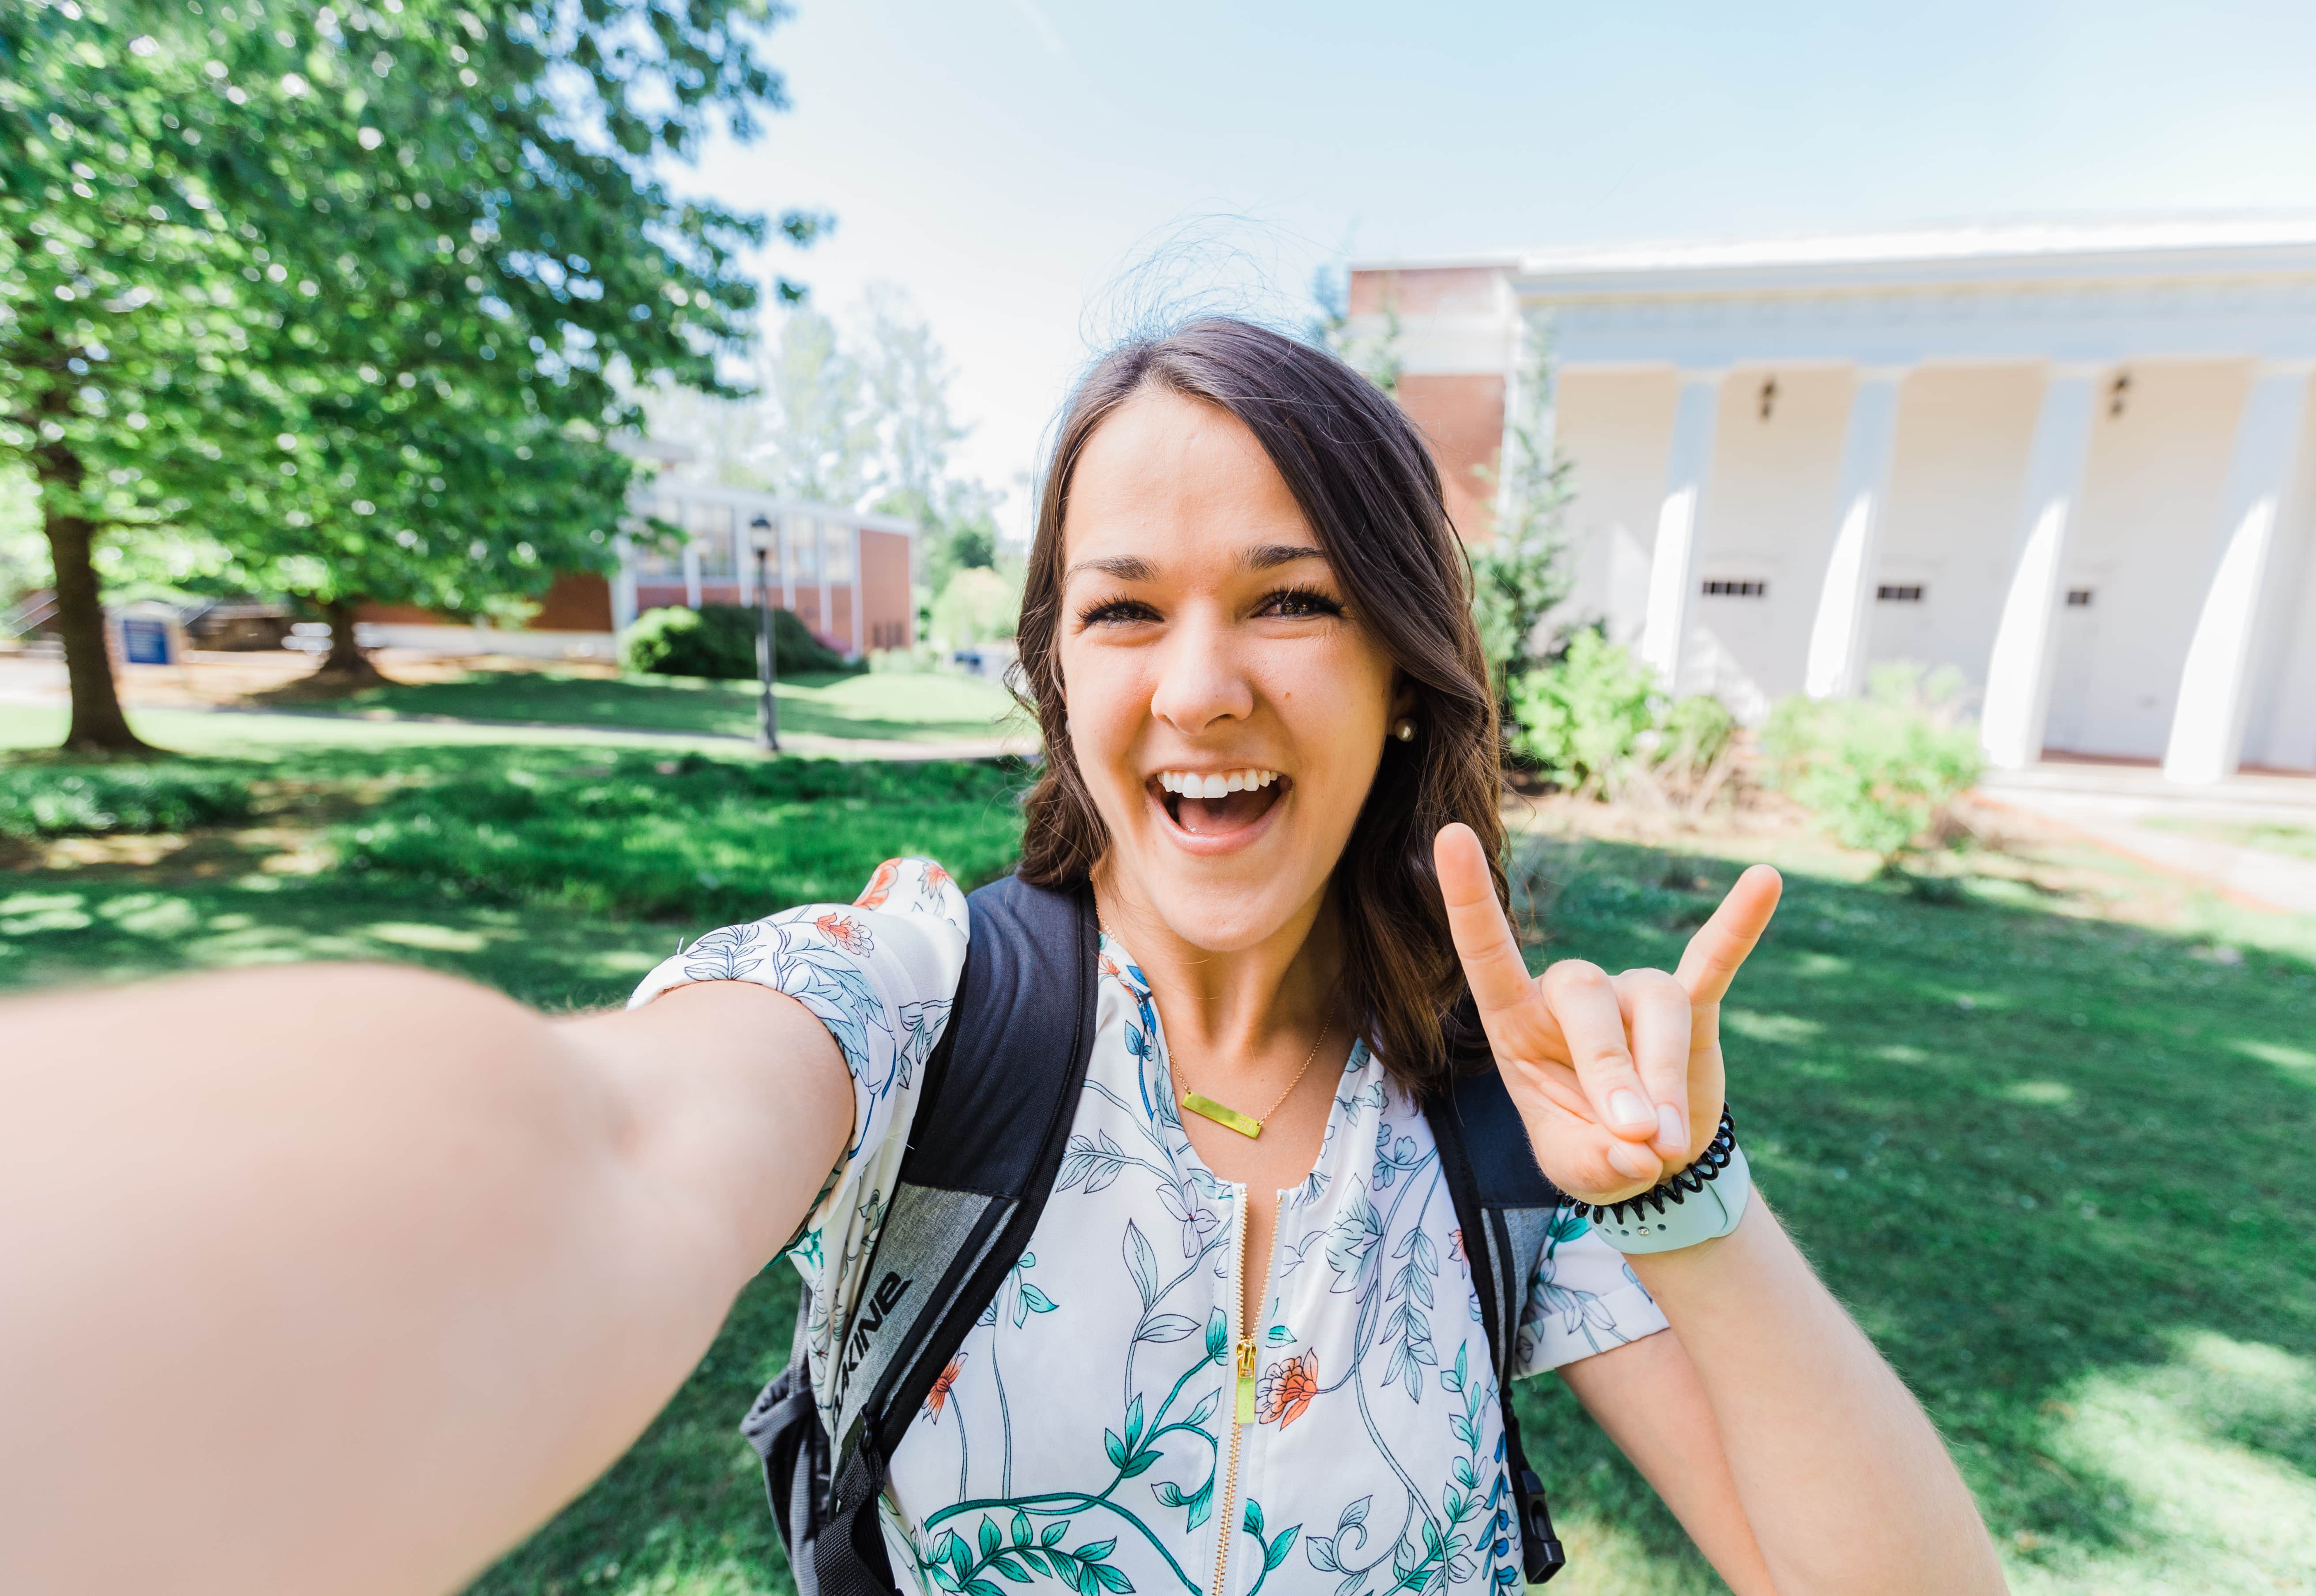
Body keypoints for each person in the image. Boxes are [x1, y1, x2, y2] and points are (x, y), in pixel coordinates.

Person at [0, 320, 2005, 1596]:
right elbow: (592, 1154)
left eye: (1291, 597)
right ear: (1055, 667)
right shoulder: (914, 1004)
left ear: (1405, 670)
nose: (1199, 684)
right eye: (1122, 611)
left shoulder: (1502, 1121)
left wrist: (1677, 1199)